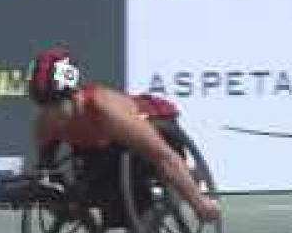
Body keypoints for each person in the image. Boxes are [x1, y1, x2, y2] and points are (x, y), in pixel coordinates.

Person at [27, 46, 221, 223]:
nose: (50, 114)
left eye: (56, 105)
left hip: (151, 126)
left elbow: (164, 157)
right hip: (101, 148)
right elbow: (46, 176)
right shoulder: (44, 124)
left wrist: (199, 204)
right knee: (110, 209)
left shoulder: (106, 110)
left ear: (74, 94)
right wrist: (63, 206)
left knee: (142, 183)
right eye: (44, 106)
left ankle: (183, 186)